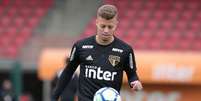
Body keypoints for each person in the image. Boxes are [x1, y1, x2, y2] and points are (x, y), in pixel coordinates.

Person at [52, 4, 143, 101]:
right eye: (102, 26)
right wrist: (54, 97)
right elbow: (68, 72)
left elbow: (132, 74)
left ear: (116, 24)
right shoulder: (81, 46)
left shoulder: (125, 50)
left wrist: (135, 82)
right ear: (97, 22)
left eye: (110, 27)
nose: (106, 30)